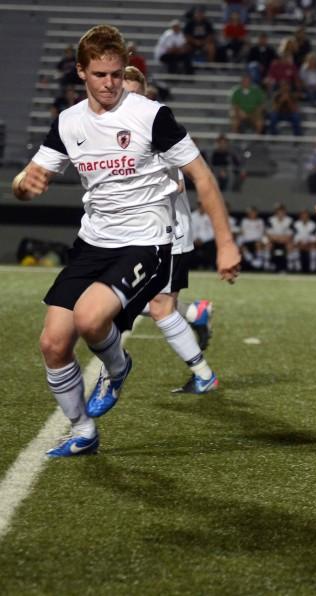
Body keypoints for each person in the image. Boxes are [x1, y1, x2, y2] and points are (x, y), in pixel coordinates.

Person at [11, 25, 239, 458]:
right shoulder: (68, 122)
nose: (110, 83)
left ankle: (117, 368)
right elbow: (26, 180)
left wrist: (225, 242)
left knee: (91, 319)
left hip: (145, 241)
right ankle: (82, 431)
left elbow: (203, 176)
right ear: (81, 72)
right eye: (100, 74)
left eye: (116, 73)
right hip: (93, 242)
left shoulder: (151, 115)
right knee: (53, 342)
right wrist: (25, 184)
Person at [123, 66, 219, 389]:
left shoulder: (155, 130)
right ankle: (194, 314)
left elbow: (177, 183)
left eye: (134, 94)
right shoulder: (116, 132)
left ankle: (204, 375)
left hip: (170, 234)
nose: (127, 100)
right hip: (141, 233)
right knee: (127, 300)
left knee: (156, 306)